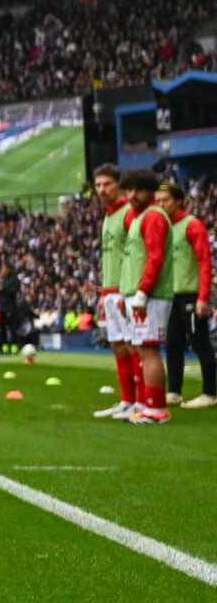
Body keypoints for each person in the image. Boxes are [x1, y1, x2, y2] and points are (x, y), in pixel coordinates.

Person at [154, 181, 216, 406]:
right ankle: (174, 391)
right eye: (158, 201)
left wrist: (203, 297)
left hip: (191, 294)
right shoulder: (163, 227)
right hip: (171, 296)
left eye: (166, 200)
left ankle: (209, 393)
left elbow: (205, 262)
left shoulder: (192, 225)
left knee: (200, 343)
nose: (161, 205)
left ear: (179, 201)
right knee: (172, 343)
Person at [123, 169, 176, 425]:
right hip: (144, 293)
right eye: (129, 190)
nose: (132, 195)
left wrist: (143, 291)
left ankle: (157, 409)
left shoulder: (153, 216)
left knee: (150, 349)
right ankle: (150, 406)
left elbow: (155, 257)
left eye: (138, 190)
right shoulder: (140, 217)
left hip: (152, 295)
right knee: (145, 350)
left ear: (150, 191)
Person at [93, 164, 142, 420]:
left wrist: (125, 290)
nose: (102, 190)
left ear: (118, 185)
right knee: (118, 347)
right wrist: (103, 292)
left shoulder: (128, 214)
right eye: (98, 185)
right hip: (110, 291)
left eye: (107, 184)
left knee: (135, 347)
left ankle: (142, 402)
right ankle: (127, 400)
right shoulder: (108, 216)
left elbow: (134, 255)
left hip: (126, 290)